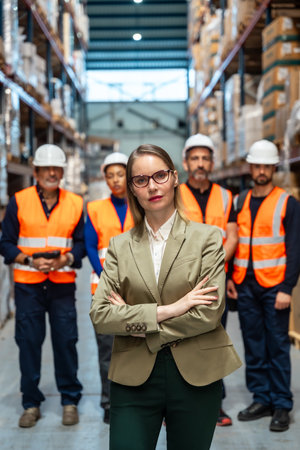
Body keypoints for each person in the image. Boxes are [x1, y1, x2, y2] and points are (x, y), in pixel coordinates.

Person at [90, 144, 241, 450]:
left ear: (174, 178)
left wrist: (136, 318)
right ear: (133, 188)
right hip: (132, 377)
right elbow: (101, 316)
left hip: (196, 374)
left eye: (160, 175)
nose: (152, 186)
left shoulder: (207, 238)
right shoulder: (120, 246)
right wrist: (172, 308)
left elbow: (207, 314)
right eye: (141, 180)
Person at [0, 144, 85, 428]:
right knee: (28, 344)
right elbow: (6, 243)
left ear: (61, 173)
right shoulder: (19, 201)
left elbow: (83, 243)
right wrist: (27, 259)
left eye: (56, 168)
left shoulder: (75, 202)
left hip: (62, 284)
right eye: (46, 168)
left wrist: (66, 259)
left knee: (66, 342)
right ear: (35, 172)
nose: (52, 173)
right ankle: (31, 403)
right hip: (28, 285)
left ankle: (70, 400)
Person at [227, 140, 300, 432]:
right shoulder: (239, 201)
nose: (260, 171)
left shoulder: (287, 203)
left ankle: (281, 404)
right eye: (256, 165)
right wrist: (232, 277)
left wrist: (287, 288)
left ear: (273, 168)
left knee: (278, 346)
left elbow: (295, 249)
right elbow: (235, 242)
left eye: (265, 166)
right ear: (250, 168)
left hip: (274, 288)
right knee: (254, 345)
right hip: (245, 285)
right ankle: (262, 398)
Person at [180, 133, 238, 426]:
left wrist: (216, 264)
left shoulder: (227, 196)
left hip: (215, 282)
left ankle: (215, 405)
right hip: (180, 283)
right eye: (195, 158)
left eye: (205, 158)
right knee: (179, 342)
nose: (200, 164)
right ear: (185, 162)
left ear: (212, 162)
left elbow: (233, 235)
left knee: (214, 341)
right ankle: (177, 405)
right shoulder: (173, 194)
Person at [84, 151, 134, 424]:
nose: (116, 180)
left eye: (121, 174)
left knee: (139, 347)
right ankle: (109, 402)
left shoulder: (143, 205)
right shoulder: (94, 208)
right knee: (108, 350)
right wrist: (105, 276)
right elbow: (91, 246)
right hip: (102, 290)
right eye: (110, 175)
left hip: (137, 290)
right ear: (104, 178)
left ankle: (136, 399)